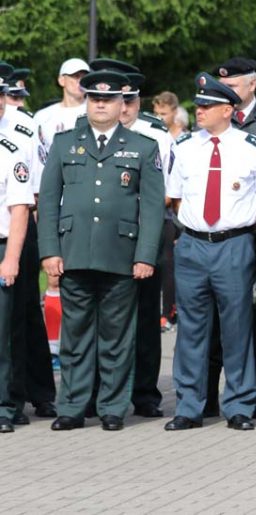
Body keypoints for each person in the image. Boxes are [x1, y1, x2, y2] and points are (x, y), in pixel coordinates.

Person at [38, 70, 165, 431]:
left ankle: (112, 406)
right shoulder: (64, 144)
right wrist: (50, 251)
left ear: (122, 104)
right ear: (87, 101)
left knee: (116, 337)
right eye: (95, 99)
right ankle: (72, 407)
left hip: (121, 256)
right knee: (75, 338)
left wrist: (145, 255)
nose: (100, 105)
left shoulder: (143, 146)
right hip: (74, 252)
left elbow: (153, 208)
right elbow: (48, 202)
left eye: (108, 100)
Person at [164, 73, 256, 432]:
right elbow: (174, 199)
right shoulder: (185, 146)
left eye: (207, 105)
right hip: (192, 243)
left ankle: (239, 405)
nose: (200, 110)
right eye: (198, 104)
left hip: (234, 245)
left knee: (237, 327)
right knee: (191, 329)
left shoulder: (253, 147)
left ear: (228, 109)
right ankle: (189, 406)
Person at [206, 57, 256, 420]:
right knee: (209, 317)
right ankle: (207, 394)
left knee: (254, 317)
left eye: (235, 86)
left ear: (252, 85)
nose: (227, 92)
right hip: (214, 238)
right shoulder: (211, 119)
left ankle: (251, 394)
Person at [90, 57, 173, 419]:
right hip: (100, 238)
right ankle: (95, 392)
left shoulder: (155, 134)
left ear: (136, 101)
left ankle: (144, 393)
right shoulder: (87, 130)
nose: (121, 108)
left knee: (142, 318)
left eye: (128, 101)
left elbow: (166, 194)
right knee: (96, 319)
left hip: (142, 236)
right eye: (116, 100)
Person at [0, 65, 57, 423]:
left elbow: (39, 183)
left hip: (22, 222)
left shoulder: (24, 126)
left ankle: (35, 394)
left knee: (21, 316)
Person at [34, 57, 91, 364]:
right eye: (73, 76)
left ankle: (77, 345)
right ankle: (54, 346)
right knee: (53, 275)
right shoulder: (43, 117)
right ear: (61, 80)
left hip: (84, 204)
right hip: (53, 203)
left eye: (84, 76)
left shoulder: (94, 110)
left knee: (81, 277)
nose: (78, 81)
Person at [0, 75, 35, 433]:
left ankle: (3, 407)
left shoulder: (12, 150)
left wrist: (11, 258)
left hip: (1, 245)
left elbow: (20, 208)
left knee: (1, 335)